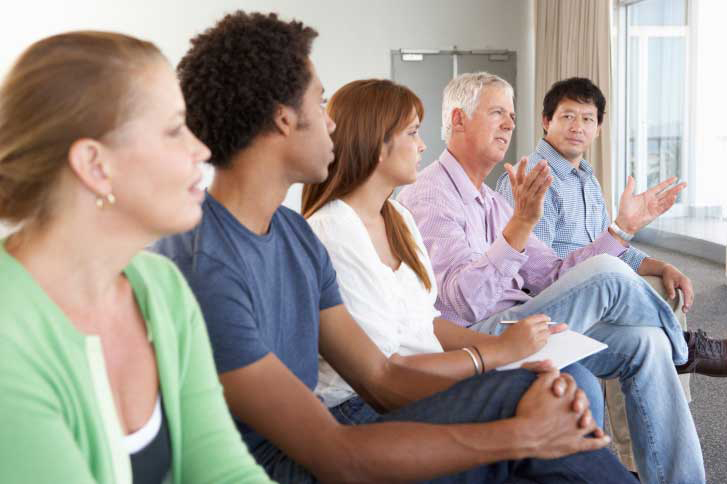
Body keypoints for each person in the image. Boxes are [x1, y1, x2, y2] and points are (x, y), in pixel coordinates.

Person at [154, 11, 636, 484]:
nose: (333, 126)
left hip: (345, 429)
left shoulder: (292, 235)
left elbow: (381, 380)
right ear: (283, 120)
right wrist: (519, 435)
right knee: (529, 410)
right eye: (321, 105)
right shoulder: (209, 265)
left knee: (538, 394)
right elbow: (336, 455)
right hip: (285, 466)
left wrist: (503, 372)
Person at [397, 71, 713, 484]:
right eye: (498, 113)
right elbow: (462, 304)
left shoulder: (492, 201)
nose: (511, 124)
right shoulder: (429, 194)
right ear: (458, 120)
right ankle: (685, 346)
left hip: (528, 320)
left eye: (511, 115)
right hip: (478, 338)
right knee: (607, 272)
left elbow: (552, 273)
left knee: (647, 343)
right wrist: (520, 226)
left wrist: (621, 229)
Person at [0, 32, 272, 483]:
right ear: (95, 164)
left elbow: (224, 472)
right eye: (173, 129)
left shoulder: (161, 288)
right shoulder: (8, 333)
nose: (201, 149)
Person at [301, 78, 604, 427]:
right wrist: (497, 353)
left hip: (428, 373)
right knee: (564, 392)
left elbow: (425, 322)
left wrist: (511, 346)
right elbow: (386, 375)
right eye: (413, 133)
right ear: (376, 143)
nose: (423, 146)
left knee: (573, 381)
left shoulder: (397, 216)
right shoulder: (335, 231)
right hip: (365, 405)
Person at [495, 76, 714, 471]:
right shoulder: (532, 179)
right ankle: (688, 349)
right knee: (621, 288)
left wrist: (662, 265)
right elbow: (538, 277)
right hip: (554, 306)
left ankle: (649, 453)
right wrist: (622, 232)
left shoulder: (587, 180)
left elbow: (611, 247)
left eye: (587, 118)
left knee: (662, 307)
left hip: (598, 289)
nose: (577, 126)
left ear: (598, 127)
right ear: (546, 121)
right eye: (567, 116)